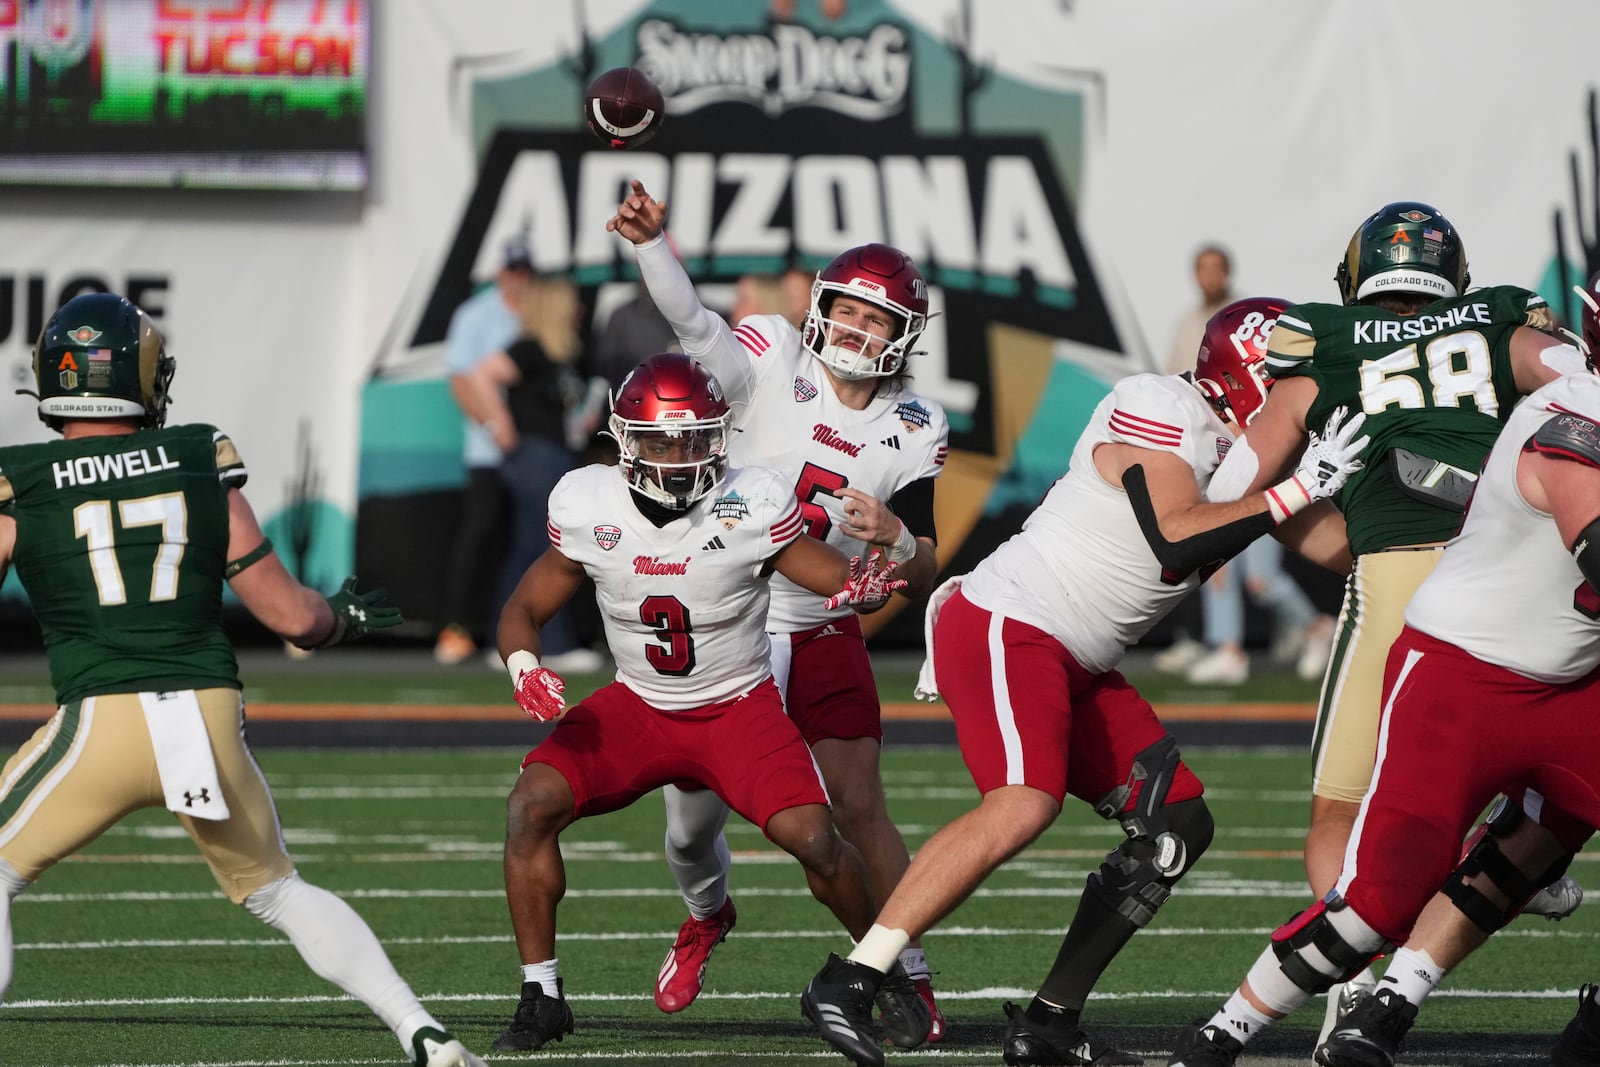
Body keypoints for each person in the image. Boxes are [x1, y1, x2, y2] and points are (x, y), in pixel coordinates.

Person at [798, 296, 1370, 1067]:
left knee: (1179, 823)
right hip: (1011, 620)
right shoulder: (1158, 404)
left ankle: (1048, 1022)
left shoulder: (1253, 458)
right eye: (1293, 381)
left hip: (1079, 656)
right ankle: (854, 977)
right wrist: (1297, 491)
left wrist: (1425, 529)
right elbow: (1173, 535)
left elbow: (1347, 550)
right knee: (1023, 801)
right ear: (1247, 380)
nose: (1308, 398)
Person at [0, 293, 485, 1067]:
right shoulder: (198, 454)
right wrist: (341, 618)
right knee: (278, 889)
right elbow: (292, 617)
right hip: (205, 715)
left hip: (103, 719)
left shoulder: (19, 478)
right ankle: (421, 1028)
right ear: (140, 374)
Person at [1193, 201, 1590, 1050]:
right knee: (1550, 760)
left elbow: (1235, 485)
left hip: (1402, 576)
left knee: (1343, 810)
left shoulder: (1322, 339)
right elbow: (1578, 380)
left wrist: (1288, 487)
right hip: (1515, 567)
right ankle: (1516, 838)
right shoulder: (1497, 319)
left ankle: (1351, 981)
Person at [488, 353, 918, 1052]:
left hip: (737, 708)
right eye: (661, 440)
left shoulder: (749, 500)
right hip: (640, 704)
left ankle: (883, 969)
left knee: (815, 840)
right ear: (625, 440)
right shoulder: (587, 502)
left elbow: (828, 573)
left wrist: (861, 583)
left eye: (695, 440)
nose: (680, 457)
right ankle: (542, 992)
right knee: (529, 804)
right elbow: (523, 606)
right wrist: (524, 666)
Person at [608, 180, 952, 1041]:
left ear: (902, 336)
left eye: (878, 321)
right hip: (731, 624)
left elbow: (931, 559)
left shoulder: (916, 424)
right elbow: (695, 329)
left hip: (820, 622)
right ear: (821, 308)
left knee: (860, 804)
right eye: (848, 311)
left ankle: (906, 973)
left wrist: (901, 540)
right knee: (690, 833)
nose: (857, 330)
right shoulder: (769, 356)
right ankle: (707, 913)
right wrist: (655, 245)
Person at [464, 272, 603, 674]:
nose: (578, 310)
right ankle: (537, 642)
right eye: (571, 302)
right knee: (541, 549)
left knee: (540, 546)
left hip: (558, 455)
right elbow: (481, 375)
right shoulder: (529, 349)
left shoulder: (567, 352)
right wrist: (498, 425)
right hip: (533, 456)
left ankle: (518, 641)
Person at [432, 231, 539, 666]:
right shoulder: (476, 315)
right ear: (500, 272)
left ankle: (519, 630)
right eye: (512, 270)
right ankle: (457, 628)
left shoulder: (536, 313)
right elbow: (461, 380)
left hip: (531, 450)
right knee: (480, 537)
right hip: (489, 451)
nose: (518, 279)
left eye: (525, 271)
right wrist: (494, 425)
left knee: (529, 543)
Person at [1184, 538, 1335, 685]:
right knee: (1216, 572)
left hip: (1261, 513)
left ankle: (1318, 628)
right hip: (1223, 516)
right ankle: (1229, 654)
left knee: (1261, 581)